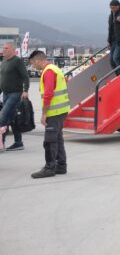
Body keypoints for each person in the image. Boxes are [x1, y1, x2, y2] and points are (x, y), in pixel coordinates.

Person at [27, 50, 69, 178]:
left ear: (37, 60)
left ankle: (49, 167)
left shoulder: (49, 71)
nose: (33, 66)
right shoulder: (54, 69)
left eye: (33, 63)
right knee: (58, 138)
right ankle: (61, 165)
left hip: (54, 112)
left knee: (50, 141)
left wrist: (44, 114)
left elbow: (48, 94)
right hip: (61, 110)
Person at [0, 42, 29, 151]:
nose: (4, 50)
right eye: (3, 48)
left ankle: (1, 143)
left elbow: (25, 77)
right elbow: (2, 80)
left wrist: (25, 90)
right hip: (5, 94)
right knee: (12, 119)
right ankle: (18, 143)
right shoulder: (4, 61)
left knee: (3, 116)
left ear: (13, 50)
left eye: (6, 48)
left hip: (15, 94)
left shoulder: (17, 61)